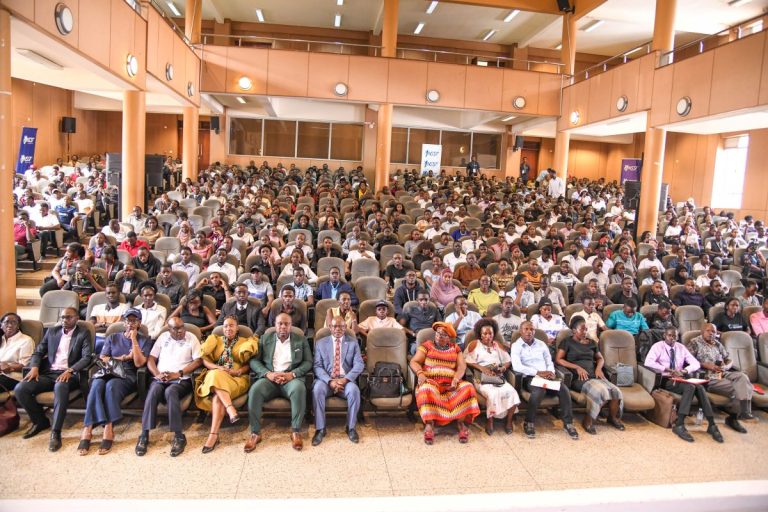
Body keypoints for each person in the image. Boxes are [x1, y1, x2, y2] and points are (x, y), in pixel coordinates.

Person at [14, 307, 93, 451]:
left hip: (70, 374)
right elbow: (38, 352)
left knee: (60, 386)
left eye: (68, 317)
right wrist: (34, 367)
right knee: (21, 389)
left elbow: (87, 357)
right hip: (49, 373)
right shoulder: (52, 332)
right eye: (62, 317)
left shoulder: (83, 333)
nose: (64, 320)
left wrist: (70, 370)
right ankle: (40, 421)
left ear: (76, 318)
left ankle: (56, 432)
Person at [79, 308, 152, 456]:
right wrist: (125, 357)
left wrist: (134, 340)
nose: (130, 324)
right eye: (128, 320)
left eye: (134, 321)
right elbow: (103, 358)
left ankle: (108, 427)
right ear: (124, 322)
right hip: (109, 370)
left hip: (127, 375)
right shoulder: (113, 337)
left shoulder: (145, 340)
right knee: (96, 384)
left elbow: (139, 363)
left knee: (111, 386)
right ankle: (88, 428)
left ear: (139, 323)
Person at [245, 313, 313, 453]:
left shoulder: (300, 340)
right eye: (280, 323)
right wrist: (267, 374)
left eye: (286, 324)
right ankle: (255, 433)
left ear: (291, 325)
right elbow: (254, 361)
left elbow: (308, 362)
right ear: (274, 325)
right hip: (270, 378)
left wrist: (292, 374)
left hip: (291, 379)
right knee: (255, 390)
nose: (283, 326)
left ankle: (296, 431)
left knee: (299, 388)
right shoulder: (264, 339)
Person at [135, 317, 202, 457]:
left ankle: (179, 436)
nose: (181, 330)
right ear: (169, 329)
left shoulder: (192, 338)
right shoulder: (163, 337)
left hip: (182, 379)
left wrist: (178, 374)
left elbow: (198, 361)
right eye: (176, 329)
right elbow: (151, 359)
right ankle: (144, 435)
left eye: (182, 327)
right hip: (161, 378)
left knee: (171, 392)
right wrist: (157, 374)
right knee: (153, 391)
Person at [644, 327, 723, 443]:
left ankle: (712, 424)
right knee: (690, 387)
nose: (672, 338)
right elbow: (648, 362)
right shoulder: (657, 346)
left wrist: (684, 371)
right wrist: (667, 369)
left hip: (680, 377)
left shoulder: (680, 347)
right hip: (666, 379)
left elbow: (695, 363)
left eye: (675, 336)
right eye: (670, 335)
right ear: (664, 336)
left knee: (700, 387)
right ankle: (679, 424)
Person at [409, 321, 480, 444]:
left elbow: (461, 367)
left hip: (451, 384)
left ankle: (461, 423)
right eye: (438, 333)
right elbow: (414, 361)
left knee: (468, 387)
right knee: (425, 389)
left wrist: (456, 379)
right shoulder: (427, 345)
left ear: (449, 338)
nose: (439, 336)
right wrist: (420, 373)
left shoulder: (455, 348)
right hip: (431, 382)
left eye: (443, 335)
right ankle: (430, 424)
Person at [195, 316, 257, 453]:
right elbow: (205, 359)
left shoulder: (245, 341)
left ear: (237, 328)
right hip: (215, 376)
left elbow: (250, 363)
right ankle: (228, 411)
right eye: (225, 326)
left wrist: (238, 371)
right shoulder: (215, 340)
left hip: (236, 378)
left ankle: (213, 435)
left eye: (231, 325)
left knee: (218, 392)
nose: (228, 328)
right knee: (216, 375)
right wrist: (218, 368)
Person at [555, 316, 624, 435]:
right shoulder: (567, 342)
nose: (585, 332)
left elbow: (600, 358)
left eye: (586, 329)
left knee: (616, 391)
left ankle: (612, 417)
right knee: (601, 391)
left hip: (594, 375)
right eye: (582, 329)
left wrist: (598, 369)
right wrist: (576, 367)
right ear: (574, 330)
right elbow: (558, 359)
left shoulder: (592, 342)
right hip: (579, 378)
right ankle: (589, 419)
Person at [510, 321, 578, 440]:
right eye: (526, 329)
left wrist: (550, 372)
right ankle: (529, 421)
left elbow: (549, 361)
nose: (529, 332)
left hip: (546, 376)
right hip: (530, 377)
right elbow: (517, 366)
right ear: (521, 331)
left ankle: (568, 423)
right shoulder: (516, 346)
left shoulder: (541, 344)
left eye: (531, 329)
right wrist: (538, 373)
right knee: (539, 390)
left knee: (563, 389)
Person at [685, 323, 753, 433]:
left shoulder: (717, 343)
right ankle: (734, 417)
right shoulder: (695, 342)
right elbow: (687, 360)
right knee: (741, 387)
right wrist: (706, 365)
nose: (711, 333)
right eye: (708, 331)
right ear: (702, 331)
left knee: (743, 377)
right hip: (708, 376)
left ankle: (743, 411)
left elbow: (728, 359)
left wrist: (726, 366)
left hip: (723, 372)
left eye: (713, 332)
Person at [311, 316, 365, 446]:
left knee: (354, 391)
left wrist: (345, 379)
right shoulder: (321, 343)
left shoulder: (353, 342)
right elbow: (317, 366)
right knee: (317, 389)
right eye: (335, 326)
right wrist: (330, 381)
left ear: (345, 327)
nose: (338, 329)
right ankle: (320, 429)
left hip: (345, 380)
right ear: (330, 327)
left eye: (341, 326)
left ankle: (351, 428)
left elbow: (359, 364)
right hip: (326, 381)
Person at [464, 319, 519, 435]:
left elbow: (507, 360)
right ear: (480, 334)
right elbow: (466, 360)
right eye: (485, 333)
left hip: (497, 376)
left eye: (490, 333)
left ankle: (509, 421)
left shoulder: (497, 345)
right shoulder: (474, 344)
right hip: (481, 378)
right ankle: (490, 421)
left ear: (494, 334)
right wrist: (481, 368)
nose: (488, 336)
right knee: (492, 394)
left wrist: (503, 368)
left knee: (513, 392)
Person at [399, 290, 443, 355]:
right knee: (421, 351)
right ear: (417, 300)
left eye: (426, 299)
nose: (424, 302)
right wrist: (413, 333)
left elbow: (441, 325)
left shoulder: (434, 310)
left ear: (429, 300)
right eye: (421, 300)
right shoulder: (410, 310)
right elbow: (400, 326)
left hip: (430, 338)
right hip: (415, 339)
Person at [89, 283, 128, 354]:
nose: (111, 295)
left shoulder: (125, 308)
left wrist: (102, 324)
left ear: (119, 294)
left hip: (115, 338)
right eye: (108, 293)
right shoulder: (97, 307)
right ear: (105, 295)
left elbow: (119, 328)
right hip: (96, 337)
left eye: (113, 292)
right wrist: (110, 325)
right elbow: (90, 326)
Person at [0, 313, 35, 390]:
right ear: (1, 325)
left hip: (12, 377)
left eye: (13, 322)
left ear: (18, 326)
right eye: (7, 322)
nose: (10, 325)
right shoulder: (1, 339)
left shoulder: (26, 340)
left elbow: (25, 365)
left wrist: (8, 366)